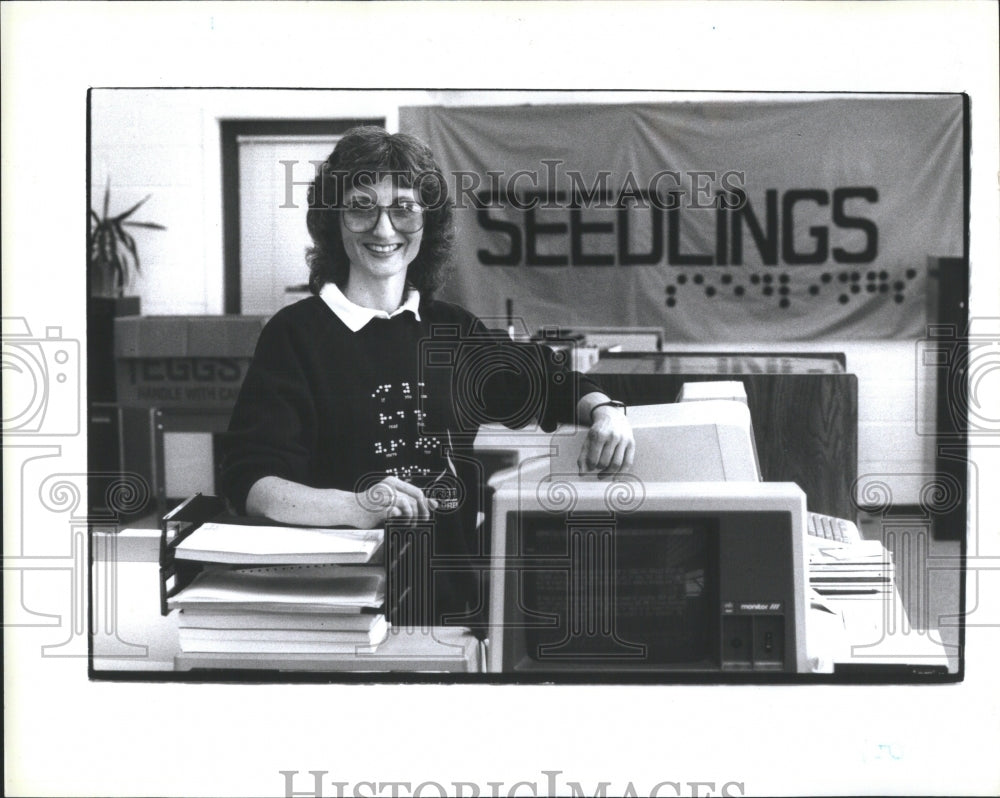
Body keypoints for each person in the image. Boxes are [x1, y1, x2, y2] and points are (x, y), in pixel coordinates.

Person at [221, 126, 634, 625]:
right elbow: (251, 486)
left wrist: (605, 409)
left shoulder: (452, 331)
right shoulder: (294, 335)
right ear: (334, 219)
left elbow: (547, 382)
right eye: (361, 205)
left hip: (451, 606)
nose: (383, 228)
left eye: (403, 208)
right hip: (339, 610)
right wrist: (357, 505)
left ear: (427, 221)